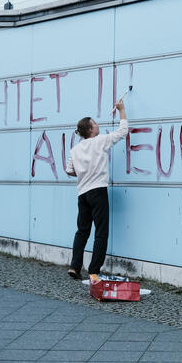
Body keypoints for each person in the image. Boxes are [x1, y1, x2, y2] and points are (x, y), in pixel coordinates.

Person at [65, 99, 128, 281]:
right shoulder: (100, 141)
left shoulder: (75, 150)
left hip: (82, 193)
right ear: (91, 130)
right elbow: (122, 132)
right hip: (98, 191)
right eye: (95, 123)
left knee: (82, 231)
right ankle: (93, 270)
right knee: (101, 232)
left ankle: (74, 266)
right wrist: (122, 110)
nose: (97, 124)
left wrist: (83, 172)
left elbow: (69, 170)